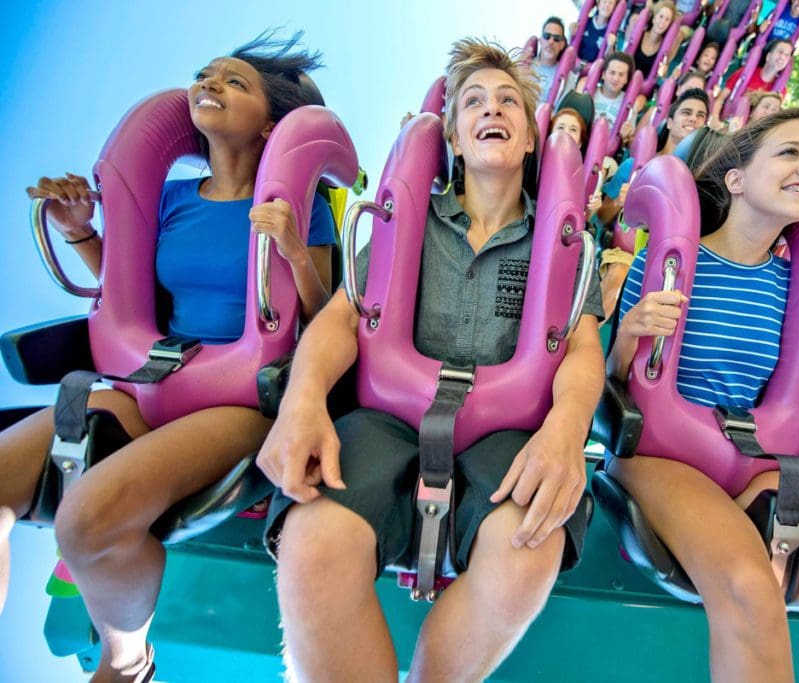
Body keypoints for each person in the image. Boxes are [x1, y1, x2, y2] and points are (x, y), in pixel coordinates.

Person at [256, 38, 605, 682]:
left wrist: (565, 431)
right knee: (313, 547)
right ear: (453, 135)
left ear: (529, 137)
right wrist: (303, 400)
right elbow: (342, 321)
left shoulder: (562, 243)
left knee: (528, 550)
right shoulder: (404, 224)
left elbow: (582, 349)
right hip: (387, 419)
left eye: (507, 100)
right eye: (473, 101)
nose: (491, 109)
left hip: (506, 431)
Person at [0, 31, 336, 682]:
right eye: (206, 75)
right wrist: (80, 232)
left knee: (86, 520)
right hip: (144, 385)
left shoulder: (300, 208)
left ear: (270, 123)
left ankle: (126, 666)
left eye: (234, 82)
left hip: (236, 399)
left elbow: (324, 323)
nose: (210, 84)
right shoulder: (171, 201)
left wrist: (295, 249)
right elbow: (131, 298)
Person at [608, 109, 799, 682]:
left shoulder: (794, 284)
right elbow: (620, 378)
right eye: (790, 153)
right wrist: (630, 332)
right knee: (750, 587)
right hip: (661, 456)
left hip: (753, 457)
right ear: (737, 179)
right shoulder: (672, 260)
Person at [597, 89, 710, 318]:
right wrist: (620, 203)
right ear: (669, 122)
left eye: (700, 115)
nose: (693, 118)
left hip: (675, 261)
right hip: (628, 254)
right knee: (619, 275)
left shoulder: (702, 179)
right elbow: (602, 216)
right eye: (686, 112)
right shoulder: (634, 165)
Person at [710, 38, 792, 129]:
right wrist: (714, 119)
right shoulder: (744, 74)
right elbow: (720, 98)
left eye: (787, 55)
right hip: (727, 122)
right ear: (768, 56)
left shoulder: (781, 91)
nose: (783, 57)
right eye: (780, 52)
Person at [633, 1, 679, 83]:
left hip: (644, 89)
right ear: (654, 19)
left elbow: (663, 76)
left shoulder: (666, 47)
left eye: (667, 20)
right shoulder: (639, 35)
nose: (662, 22)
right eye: (661, 17)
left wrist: (664, 72)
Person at [532, 17, 570, 104]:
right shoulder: (525, 65)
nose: (551, 42)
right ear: (541, 40)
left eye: (556, 38)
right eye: (547, 36)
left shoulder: (567, 77)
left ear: (562, 45)